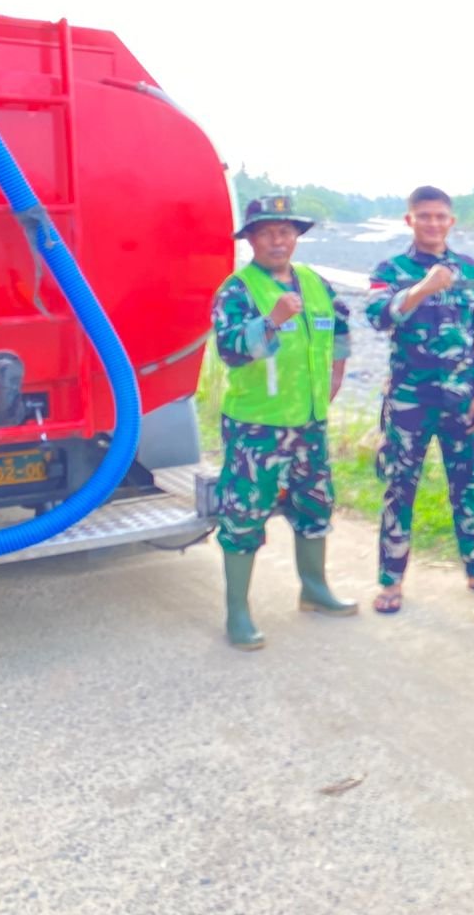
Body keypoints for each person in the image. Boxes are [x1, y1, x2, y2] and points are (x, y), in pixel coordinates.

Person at [210, 195, 358, 650]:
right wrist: (271, 322)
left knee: (315, 506)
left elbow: (340, 330)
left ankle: (314, 590)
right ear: (251, 238)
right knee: (244, 516)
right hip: (258, 426)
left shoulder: (314, 282)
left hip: (308, 425)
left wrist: (334, 379)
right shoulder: (237, 290)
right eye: (268, 231)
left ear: (297, 237)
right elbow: (232, 350)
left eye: (287, 230)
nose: (279, 239)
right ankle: (238, 612)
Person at [364, 185, 474, 615]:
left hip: (460, 400)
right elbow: (378, 317)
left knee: (468, 488)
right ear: (410, 221)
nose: (433, 223)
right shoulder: (392, 268)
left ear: (451, 221)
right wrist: (423, 287)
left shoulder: (471, 271)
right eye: (424, 216)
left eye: (440, 216)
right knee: (400, 489)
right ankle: (391, 580)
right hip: (408, 401)